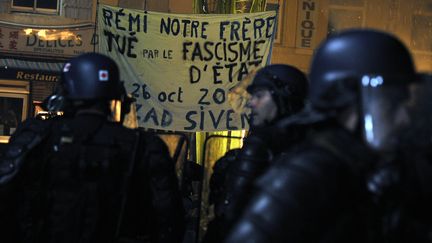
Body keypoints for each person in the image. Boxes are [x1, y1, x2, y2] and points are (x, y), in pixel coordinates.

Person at [225, 29, 432, 243]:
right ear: (348, 103)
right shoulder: (308, 175)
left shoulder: (371, 169)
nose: (403, 118)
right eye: (390, 102)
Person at [0, 53, 184, 243]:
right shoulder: (145, 146)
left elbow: (5, 197)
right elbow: (169, 221)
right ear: (116, 96)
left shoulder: (36, 136)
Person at [203, 64, 309, 242]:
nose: (251, 102)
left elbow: (230, 215)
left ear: (284, 98)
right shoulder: (309, 146)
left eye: (259, 96)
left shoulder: (260, 144)